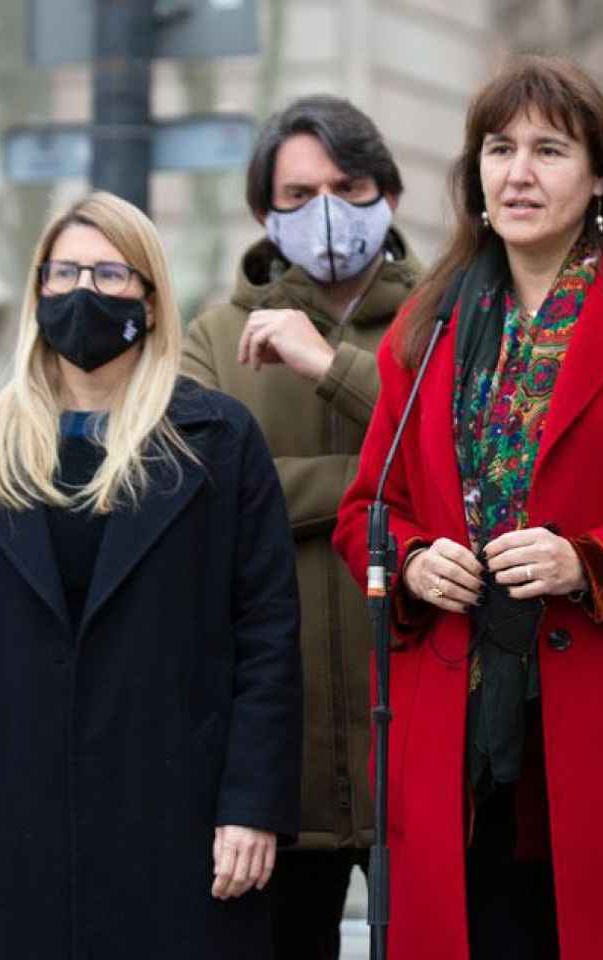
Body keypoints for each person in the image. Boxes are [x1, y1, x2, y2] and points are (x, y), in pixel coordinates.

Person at [332, 55, 603, 960]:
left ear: (600, 174)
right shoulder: (427, 328)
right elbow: (365, 515)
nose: (519, 173)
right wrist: (414, 560)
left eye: (549, 149)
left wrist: (593, 561)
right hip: (459, 754)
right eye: (499, 149)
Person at [0, 192, 301, 959]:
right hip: (10, 827)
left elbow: (269, 639)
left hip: (180, 826)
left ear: (150, 299)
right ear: (38, 290)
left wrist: (253, 805)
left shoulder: (217, 442)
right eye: (66, 272)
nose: (85, 291)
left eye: (112, 273)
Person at [181, 94, 420, 960]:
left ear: (388, 196)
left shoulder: (448, 317)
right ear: (263, 212)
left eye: (348, 186)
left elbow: (470, 464)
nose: (325, 211)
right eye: (298, 193)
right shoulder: (213, 337)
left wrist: (332, 368)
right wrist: (384, 488)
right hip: (280, 760)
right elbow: (206, 500)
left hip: (419, 746)